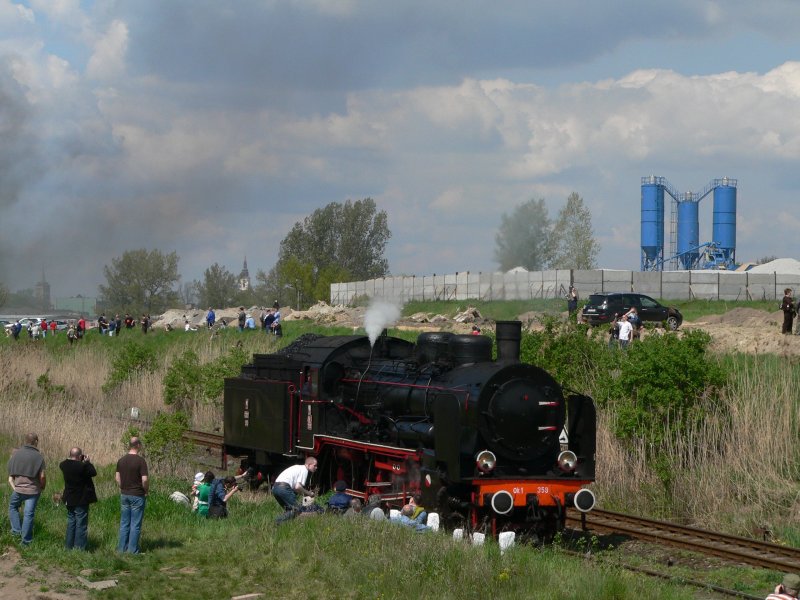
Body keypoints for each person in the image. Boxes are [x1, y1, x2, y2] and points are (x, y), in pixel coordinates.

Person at [7, 433, 46, 545]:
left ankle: (16, 531)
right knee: (28, 514)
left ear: (26, 441)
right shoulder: (39, 457)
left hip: (18, 489)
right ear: (36, 442)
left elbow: (10, 469)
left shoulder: (16, 453)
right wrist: (42, 486)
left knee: (13, 506)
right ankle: (25, 542)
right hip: (33, 491)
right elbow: (42, 476)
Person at [59, 447, 97, 550]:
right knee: (81, 524)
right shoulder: (82, 466)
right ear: (80, 456)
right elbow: (93, 472)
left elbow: (69, 462)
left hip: (69, 498)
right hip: (81, 498)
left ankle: (68, 546)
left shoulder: (63, 465)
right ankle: (79, 548)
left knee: (71, 522)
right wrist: (88, 462)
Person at [115, 437, 149, 554]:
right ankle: (132, 550)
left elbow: (117, 478)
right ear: (138, 445)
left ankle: (121, 549)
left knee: (124, 523)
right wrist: (146, 490)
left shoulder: (121, 460)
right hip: (137, 495)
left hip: (124, 494)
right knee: (135, 524)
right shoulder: (141, 461)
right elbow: (144, 480)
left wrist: (122, 487)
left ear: (130, 445)